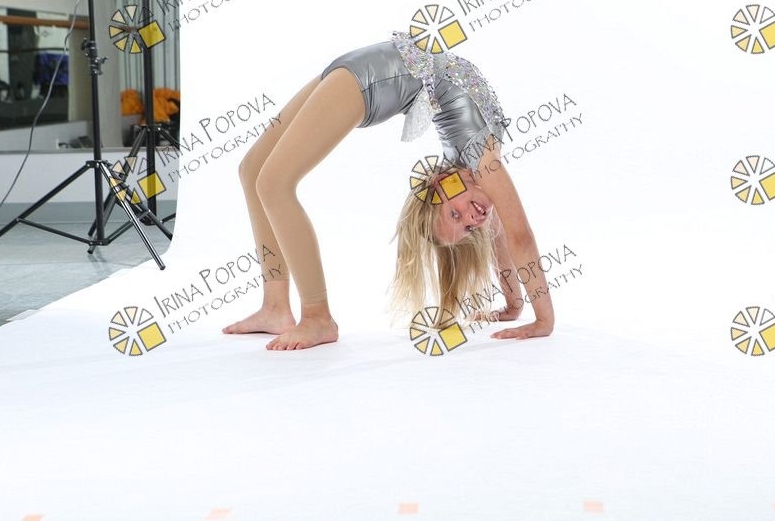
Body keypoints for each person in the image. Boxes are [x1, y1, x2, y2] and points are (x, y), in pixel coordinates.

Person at [222, 30, 555, 350]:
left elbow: (502, 233)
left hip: (363, 77)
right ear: (441, 184)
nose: (474, 218)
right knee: (253, 171)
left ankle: (315, 316)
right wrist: (539, 317)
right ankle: (279, 307)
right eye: (458, 217)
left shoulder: (467, 178)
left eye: (464, 223)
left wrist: (514, 305)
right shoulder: (483, 166)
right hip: (362, 73)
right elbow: (518, 236)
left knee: (272, 182)